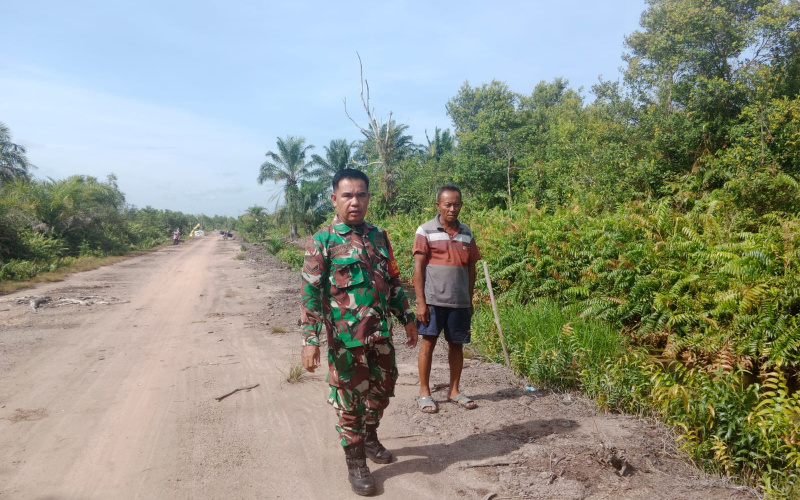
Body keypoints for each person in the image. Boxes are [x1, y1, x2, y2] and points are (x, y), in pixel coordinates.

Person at [300, 168, 418, 496]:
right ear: (334, 198)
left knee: (383, 389)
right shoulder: (323, 241)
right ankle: (356, 463)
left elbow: (393, 280)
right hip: (345, 342)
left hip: (380, 335)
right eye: (348, 195)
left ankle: (369, 436)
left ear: (368, 197)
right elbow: (309, 294)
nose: (355, 201)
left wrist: (407, 316)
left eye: (361, 194)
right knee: (350, 402)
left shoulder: (379, 236)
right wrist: (310, 340)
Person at [414, 184, 482, 413]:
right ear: (438, 206)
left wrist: (469, 298)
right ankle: (424, 393)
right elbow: (418, 269)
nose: (452, 209)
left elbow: (472, 268)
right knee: (428, 344)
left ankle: (454, 390)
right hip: (433, 301)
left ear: (461, 205)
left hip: (460, 302)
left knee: (457, 345)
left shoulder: (467, 232)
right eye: (447, 204)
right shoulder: (425, 231)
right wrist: (421, 303)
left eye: (456, 204)